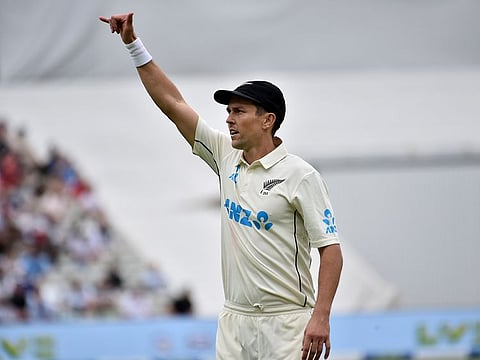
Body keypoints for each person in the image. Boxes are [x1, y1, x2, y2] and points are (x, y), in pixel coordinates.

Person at [99, 12, 343, 360]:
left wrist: (321, 315)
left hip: (288, 323)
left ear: (267, 120)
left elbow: (330, 249)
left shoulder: (300, 175)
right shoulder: (226, 157)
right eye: (228, 111)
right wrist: (132, 45)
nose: (228, 119)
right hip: (234, 321)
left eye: (239, 111)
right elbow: (173, 103)